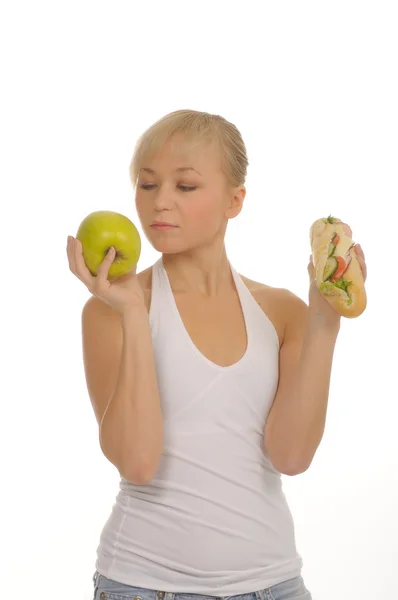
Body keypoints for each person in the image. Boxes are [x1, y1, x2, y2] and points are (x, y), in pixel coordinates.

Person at [67, 109, 367, 600]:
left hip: (276, 585)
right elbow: (137, 462)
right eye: (147, 185)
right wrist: (131, 314)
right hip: (145, 586)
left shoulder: (282, 311)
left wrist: (324, 320)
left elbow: (291, 457)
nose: (160, 202)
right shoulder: (107, 312)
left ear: (235, 201)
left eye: (185, 187)